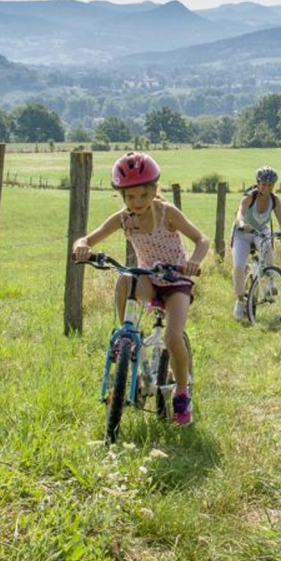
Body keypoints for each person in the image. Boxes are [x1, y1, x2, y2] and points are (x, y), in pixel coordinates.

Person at [72, 151, 210, 425]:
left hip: (176, 281)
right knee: (125, 276)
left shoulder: (167, 213)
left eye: (143, 196)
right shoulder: (123, 218)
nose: (137, 202)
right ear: (122, 196)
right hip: (147, 276)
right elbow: (89, 237)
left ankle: (182, 393)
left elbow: (201, 239)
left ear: (154, 191)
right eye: (130, 197)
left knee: (172, 337)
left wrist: (194, 262)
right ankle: (127, 335)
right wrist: (82, 245)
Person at [230, 165, 281, 321]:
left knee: (267, 247)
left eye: (270, 185)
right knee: (239, 266)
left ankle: (270, 281)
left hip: (260, 231)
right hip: (242, 233)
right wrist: (242, 224)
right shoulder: (249, 197)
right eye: (263, 184)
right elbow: (240, 214)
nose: (266, 188)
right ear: (257, 183)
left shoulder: (274, 200)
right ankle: (240, 300)